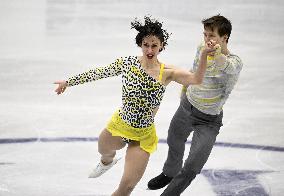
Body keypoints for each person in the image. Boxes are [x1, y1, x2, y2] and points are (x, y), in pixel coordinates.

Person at [54, 16, 215, 196]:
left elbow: (196, 79)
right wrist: (69, 82)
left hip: (143, 134)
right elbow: (99, 73)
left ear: (161, 46)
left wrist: (203, 56)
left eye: (154, 45)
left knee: (127, 187)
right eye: (146, 45)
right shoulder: (127, 63)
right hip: (120, 125)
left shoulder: (167, 73)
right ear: (140, 44)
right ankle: (107, 161)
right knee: (103, 150)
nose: (149, 49)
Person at [147, 14, 243, 195]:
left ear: (225, 38)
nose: (208, 39)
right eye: (205, 34)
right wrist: (184, 91)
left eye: (212, 36)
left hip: (209, 121)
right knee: (174, 138)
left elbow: (223, 64)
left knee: (192, 166)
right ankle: (169, 172)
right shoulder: (202, 47)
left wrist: (215, 53)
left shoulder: (235, 62)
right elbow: (193, 70)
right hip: (187, 106)